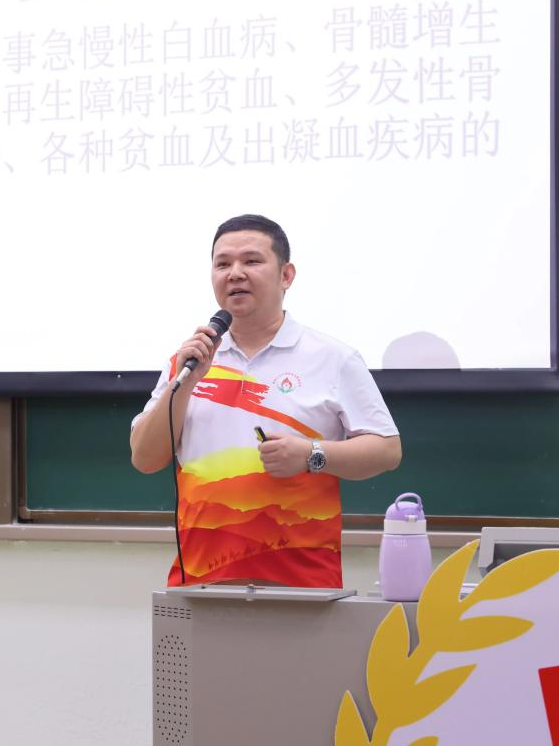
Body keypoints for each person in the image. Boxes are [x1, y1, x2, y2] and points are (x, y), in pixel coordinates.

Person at [129, 214, 401, 588]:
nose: (235, 274)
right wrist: (188, 381)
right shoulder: (189, 361)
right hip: (201, 582)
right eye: (222, 264)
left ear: (286, 275)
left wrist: (311, 454)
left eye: (251, 261)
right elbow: (145, 458)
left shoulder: (332, 357)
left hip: (302, 583)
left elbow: (387, 450)